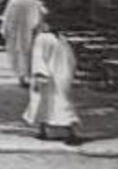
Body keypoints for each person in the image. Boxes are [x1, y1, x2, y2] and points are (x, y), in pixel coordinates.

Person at [25, 13, 81, 145]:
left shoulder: (45, 38)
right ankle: (46, 130)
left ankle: (66, 131)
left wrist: (39, 73)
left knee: (50, 102)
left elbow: (38, 57)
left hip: (51, 75)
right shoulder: (60, 39)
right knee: (53, 101)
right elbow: (71, 59)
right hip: (58, 74)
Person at [1, 0, 45, 89]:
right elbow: (40, 19)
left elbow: (7, 17)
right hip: (31, 31)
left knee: (17, 53)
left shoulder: (13, 2)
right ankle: (30, 76)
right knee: (30, 54)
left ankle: (21, 76)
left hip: (15, 32)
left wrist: (4, 30)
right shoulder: (36, 3)